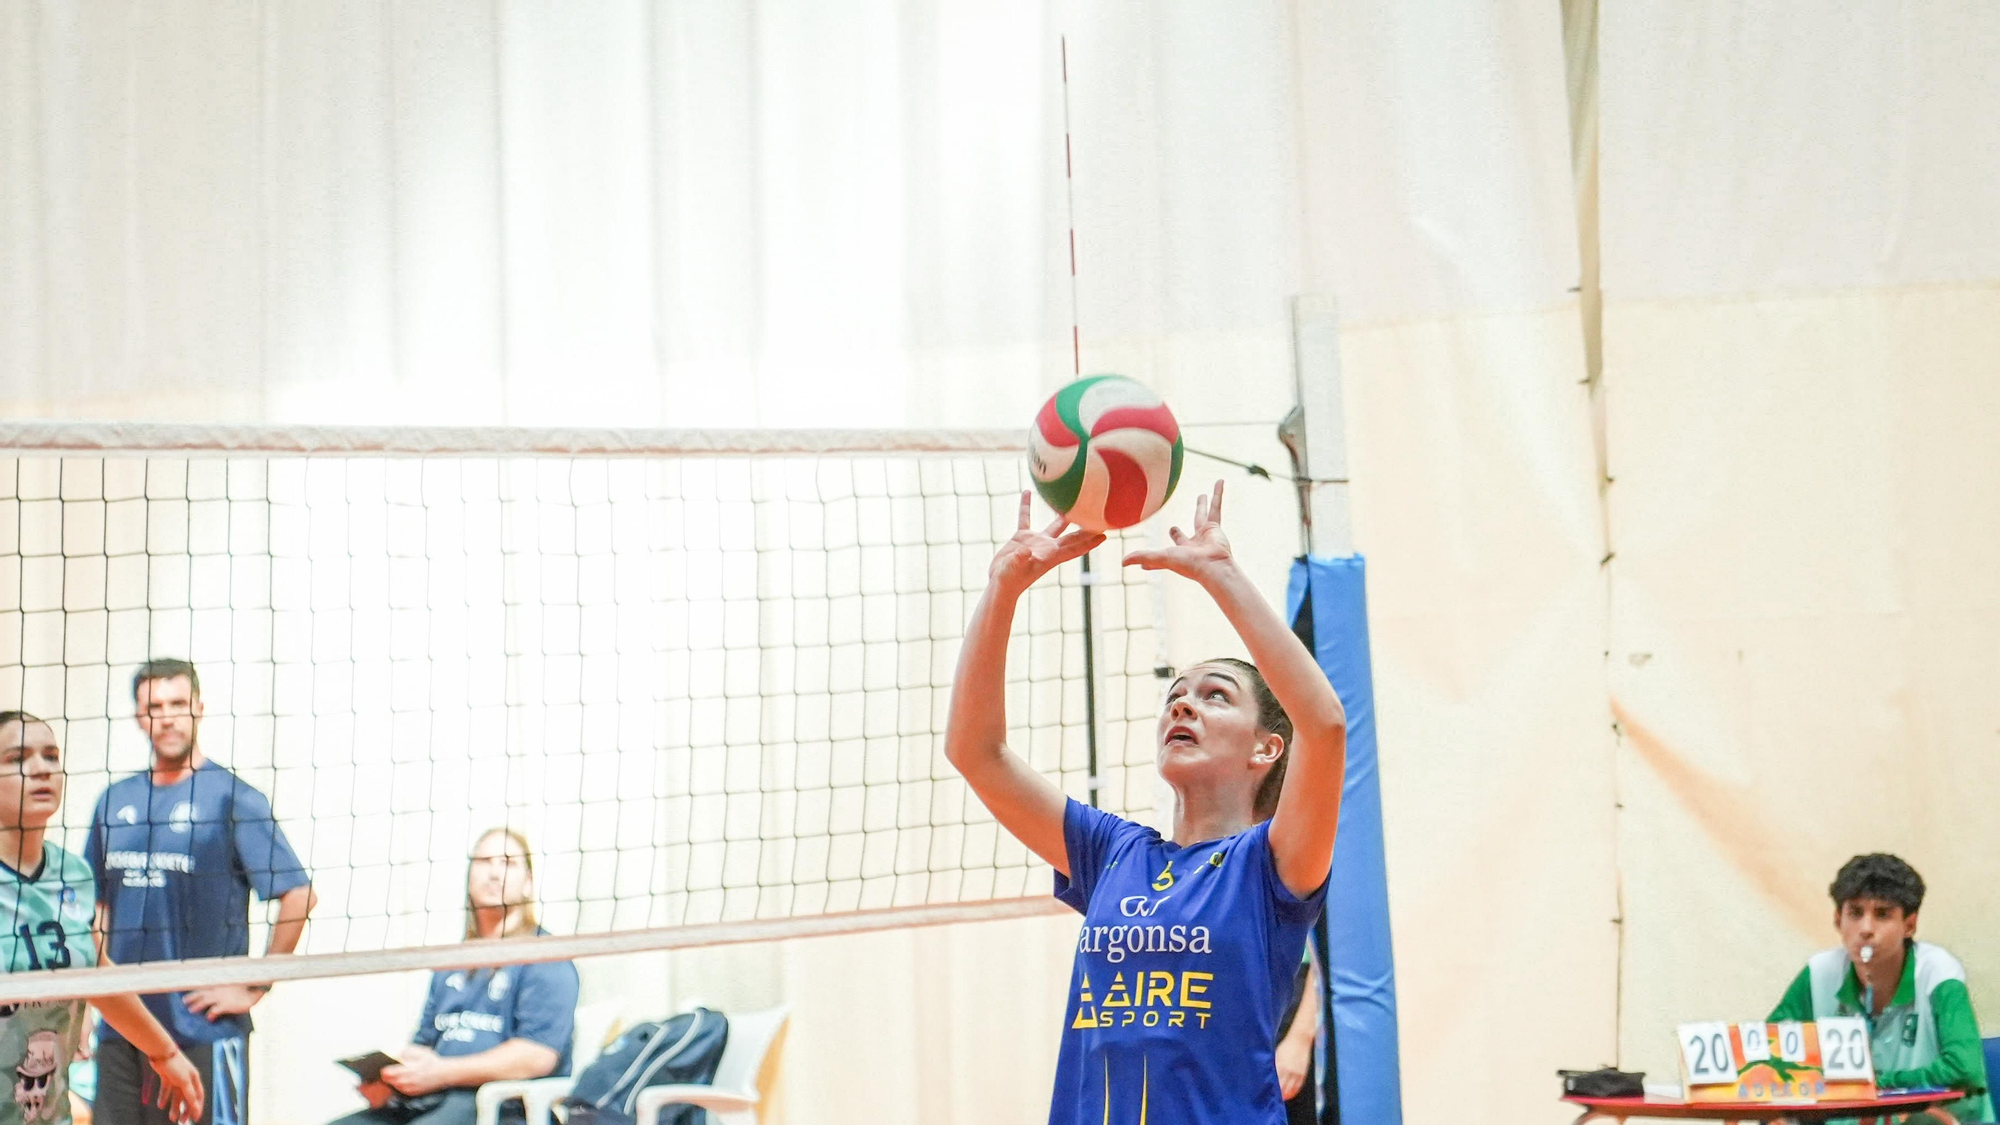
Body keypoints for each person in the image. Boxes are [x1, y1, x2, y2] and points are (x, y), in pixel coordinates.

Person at [945, 482, 1346, 1125]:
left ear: (1267, 749)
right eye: (1176, 695)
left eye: (1215, 695)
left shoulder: (1271, 864)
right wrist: (1002, 591)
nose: (1182, 704)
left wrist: (1220, 575)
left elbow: (1323, 725)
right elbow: (975, 752)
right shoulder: (1113, 853)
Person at [85, 660, 317, 1125]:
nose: (167, 717)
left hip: (200, 1031)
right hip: (123, 1030)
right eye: (155, 706)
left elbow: (298, 894)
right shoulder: (114, 800)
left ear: (199, 709)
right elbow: (98, 907)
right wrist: (87, 997)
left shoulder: (233, 798)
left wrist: (255, 984)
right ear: (138, 717)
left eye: (177, 704)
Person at [0, 711, 203, 1124]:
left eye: (51, 756)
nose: (41, 768)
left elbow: (99, 974)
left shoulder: (72, 873)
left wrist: (163, 1052)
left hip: (44, 1111)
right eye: (17, 758)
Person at [329, 828, 579, 1125]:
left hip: (505, 1106)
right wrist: (395, 1081)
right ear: (470, 877)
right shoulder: (451, 961)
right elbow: (423, 1043)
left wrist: (441, 1072)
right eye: (485, 861)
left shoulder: (546, 957)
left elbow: (537, 1055)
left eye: (508, 863)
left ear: (527, 883)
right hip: (434, 1099)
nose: (495, 873)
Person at [1769, 854, 1990, 1123]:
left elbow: (1964, 1069)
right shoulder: (1819, 973)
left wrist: (1880, 1083)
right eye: (1855, 913)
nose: (1866, 929)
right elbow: (1768, 1056)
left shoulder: (1939, 974)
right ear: (1838, 919)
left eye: (1882, 915)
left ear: (1909, 925)